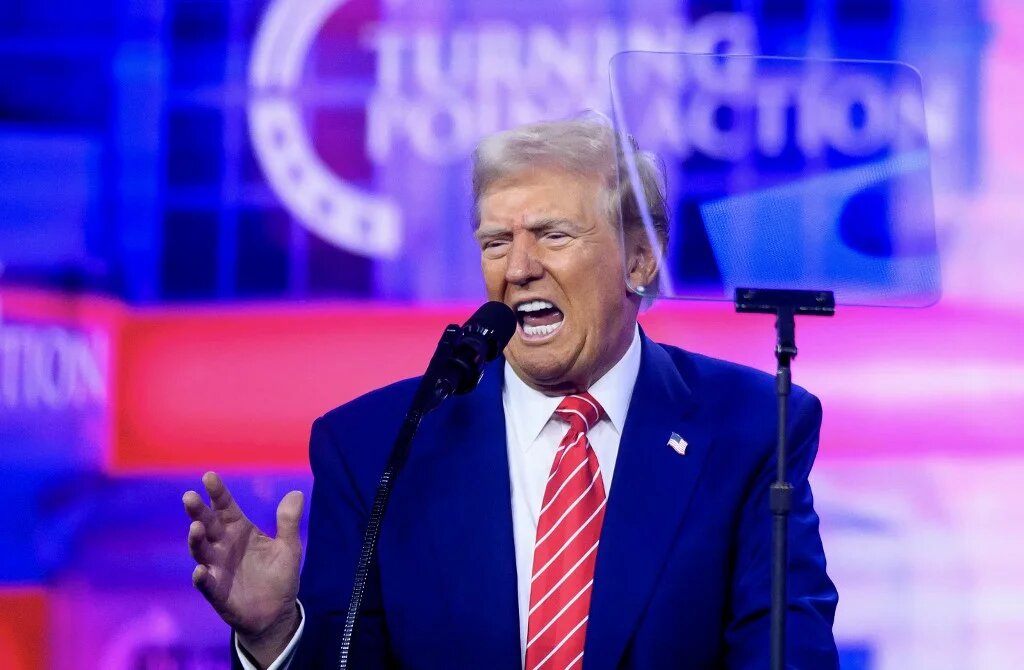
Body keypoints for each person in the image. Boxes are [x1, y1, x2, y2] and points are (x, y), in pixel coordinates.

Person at [183, 116, 839, 669]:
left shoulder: (751, 429)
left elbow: (787, 650)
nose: (518, 268)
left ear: (640, 260)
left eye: (552, 234)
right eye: (496, 241)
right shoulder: (377, 446)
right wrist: (274, 634)